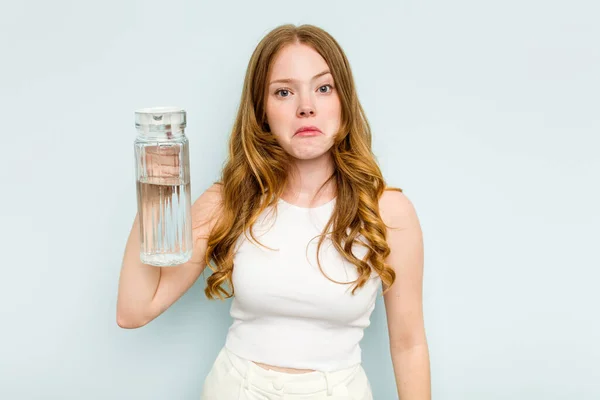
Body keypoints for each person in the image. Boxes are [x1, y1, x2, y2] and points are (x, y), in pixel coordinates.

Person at [117, 23, 431, 400]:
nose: (306, 106)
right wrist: (154, 192)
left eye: (323, 88)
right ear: (262, 112)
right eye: (284, 91)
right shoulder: (227, 201)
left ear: (344, 103)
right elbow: (133, 311)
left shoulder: (388, 212)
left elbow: (409, 344)